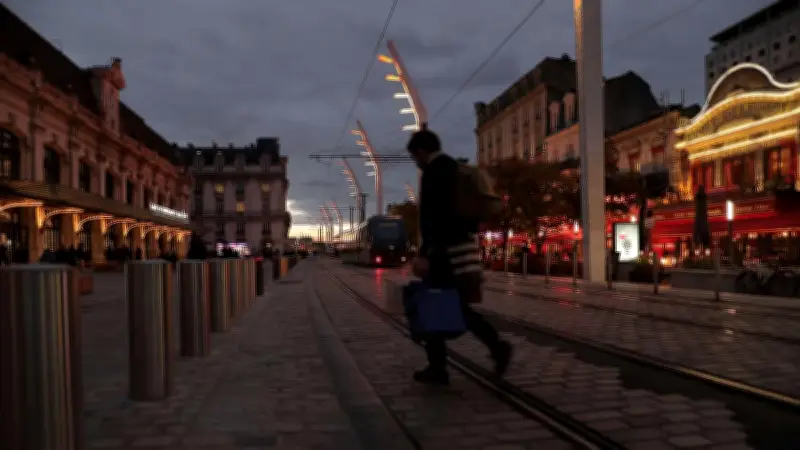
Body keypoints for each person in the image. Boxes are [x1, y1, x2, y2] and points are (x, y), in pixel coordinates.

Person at [406, 124, 512, 386]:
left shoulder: (434, 173)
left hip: (445, 253)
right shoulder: (456, 168)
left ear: (420, 151)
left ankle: (445, 365)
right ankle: (444, 363)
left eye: (414, 158)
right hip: (462, 247)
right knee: (450, 306)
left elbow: (433, 217)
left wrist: (425, 253)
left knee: (439, 305)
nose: (416, 164)